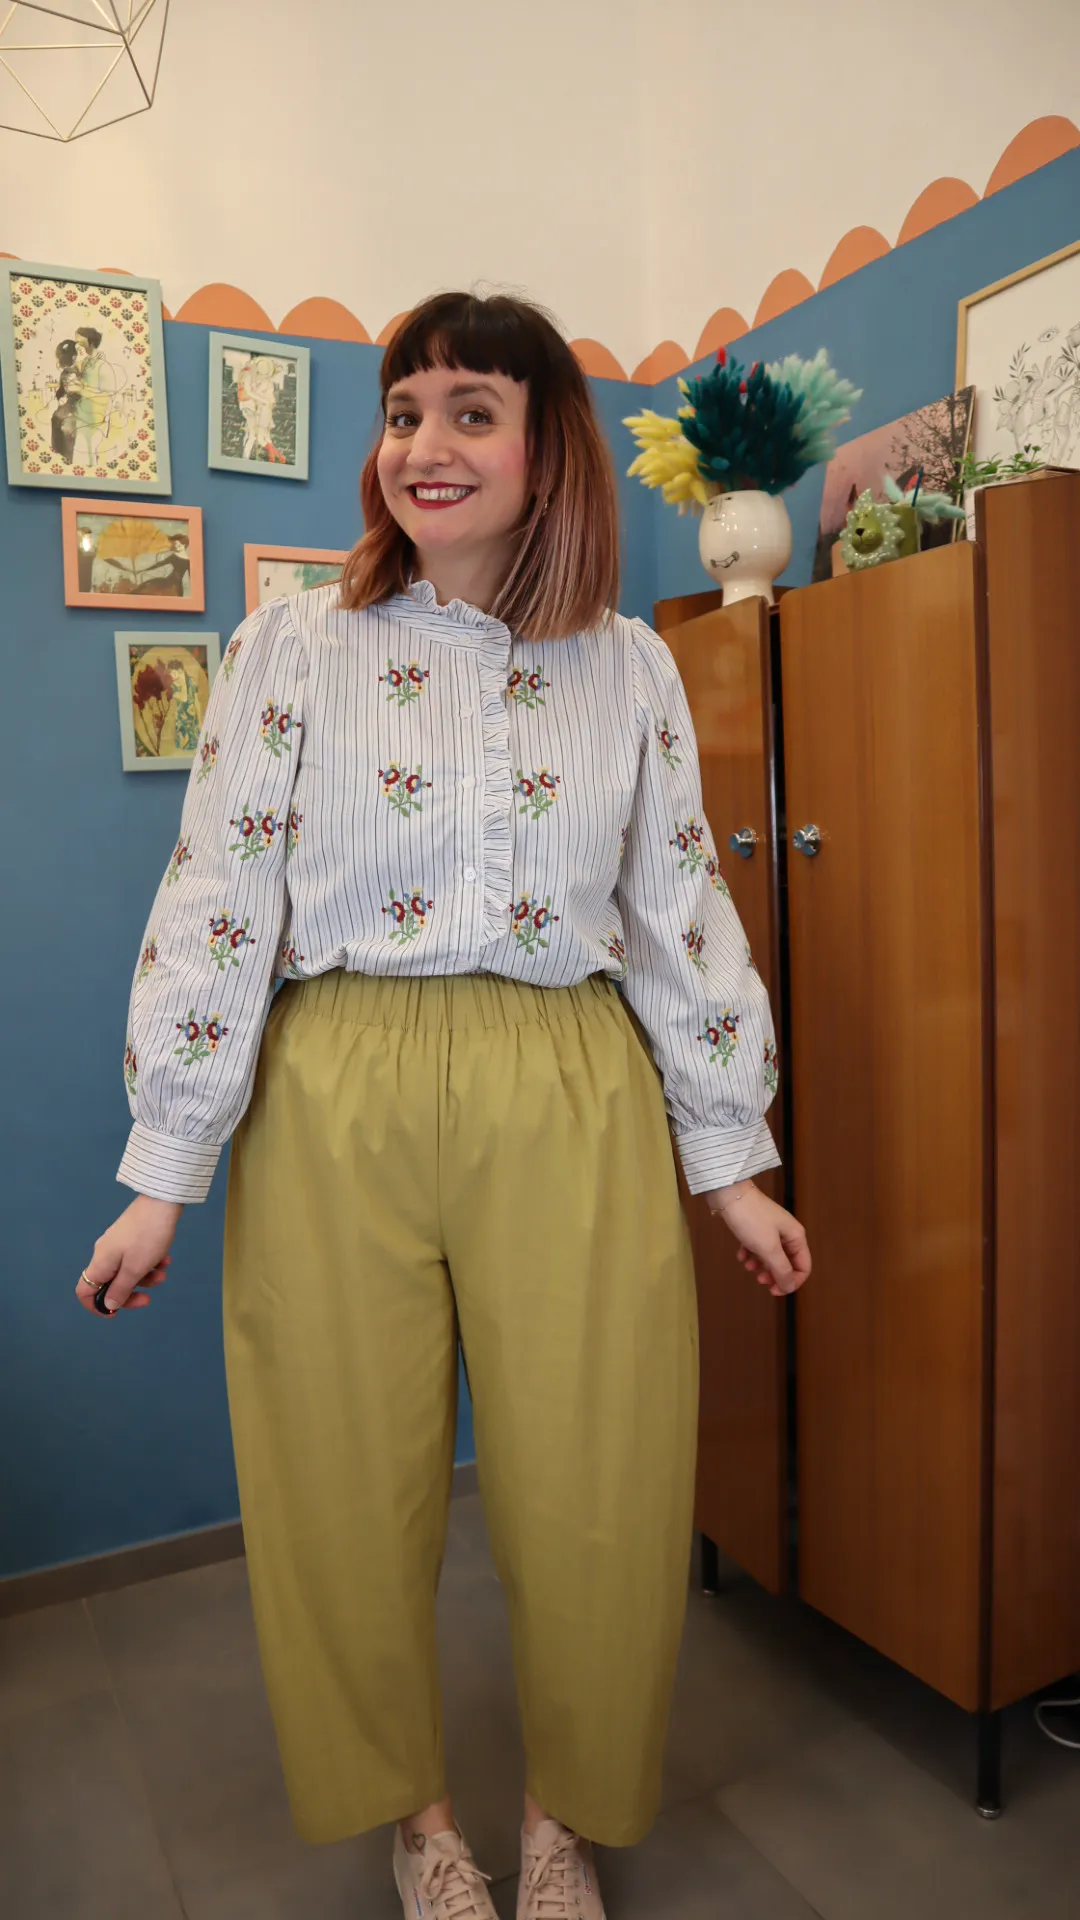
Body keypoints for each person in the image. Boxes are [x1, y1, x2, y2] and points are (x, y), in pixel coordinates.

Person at [78, 291, 811, 1920]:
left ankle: (564, 1819)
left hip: (569, 1084)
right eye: (405, 410)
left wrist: (730, 1162)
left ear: (548, 446)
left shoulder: (629, 665)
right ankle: (415, 1822)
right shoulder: (292, 645)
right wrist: (163, 1172)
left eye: (473, 410)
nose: (426, 443)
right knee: (341, 1484)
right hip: (334, 1084)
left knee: (601, 1485)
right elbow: (219, 900)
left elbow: (681, 916)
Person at [71, 323, 117, 466]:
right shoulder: (81, 363)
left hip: (96, 423)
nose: (77, 346)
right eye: (76, 342)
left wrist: (82, 390)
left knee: (93, 460)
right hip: (80, 420)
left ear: (91, 344)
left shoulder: (103, 366)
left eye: (81, 343)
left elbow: (108, 396)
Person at [50, 338, 81, 464]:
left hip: (71, 416)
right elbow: (61, 391)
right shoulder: (66, 373)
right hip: (62, 415)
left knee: (66, 450)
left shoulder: (77, 373)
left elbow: (78, 393)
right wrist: (61, 396)